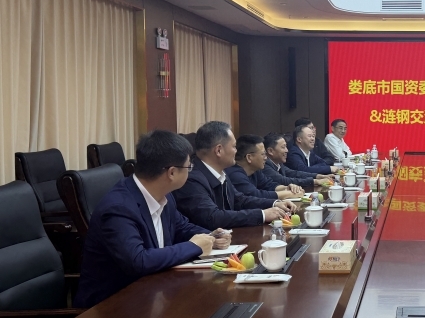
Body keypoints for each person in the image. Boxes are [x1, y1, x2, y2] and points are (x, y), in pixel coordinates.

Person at [74, 130, 231, 308]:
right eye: (189, 167)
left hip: (153, 293)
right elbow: (138, 261)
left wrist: (211, 236)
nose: (191, 171)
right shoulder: (118, 208)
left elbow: (181, 227)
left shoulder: (163, 195)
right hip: (111, 308)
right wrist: (194, 246)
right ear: (172, 173)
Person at [173, 121, 296, 229]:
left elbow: (239, 200)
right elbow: (213, 217)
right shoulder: (192, 179)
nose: (236, 151)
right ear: (219, 150)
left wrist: (274, 203)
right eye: (234, 146)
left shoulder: (221, 172)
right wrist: (262, 214)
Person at [226, 134, 305, 200]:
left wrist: (287, 188)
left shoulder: (255, 170)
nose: (266, 158)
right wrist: (288, 194)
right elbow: (256, 195)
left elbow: (269, 185)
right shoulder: (235, 175)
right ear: (249, 157)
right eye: (263, 154)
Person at [264, 132, 333, 188]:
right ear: (270, 151)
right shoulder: (265, 165)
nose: (287, 150)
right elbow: (284, 180)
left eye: (286, 147)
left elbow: (295, 173)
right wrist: (314, 181)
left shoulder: (279, 163)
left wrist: (318, 176)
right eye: (283, 147)